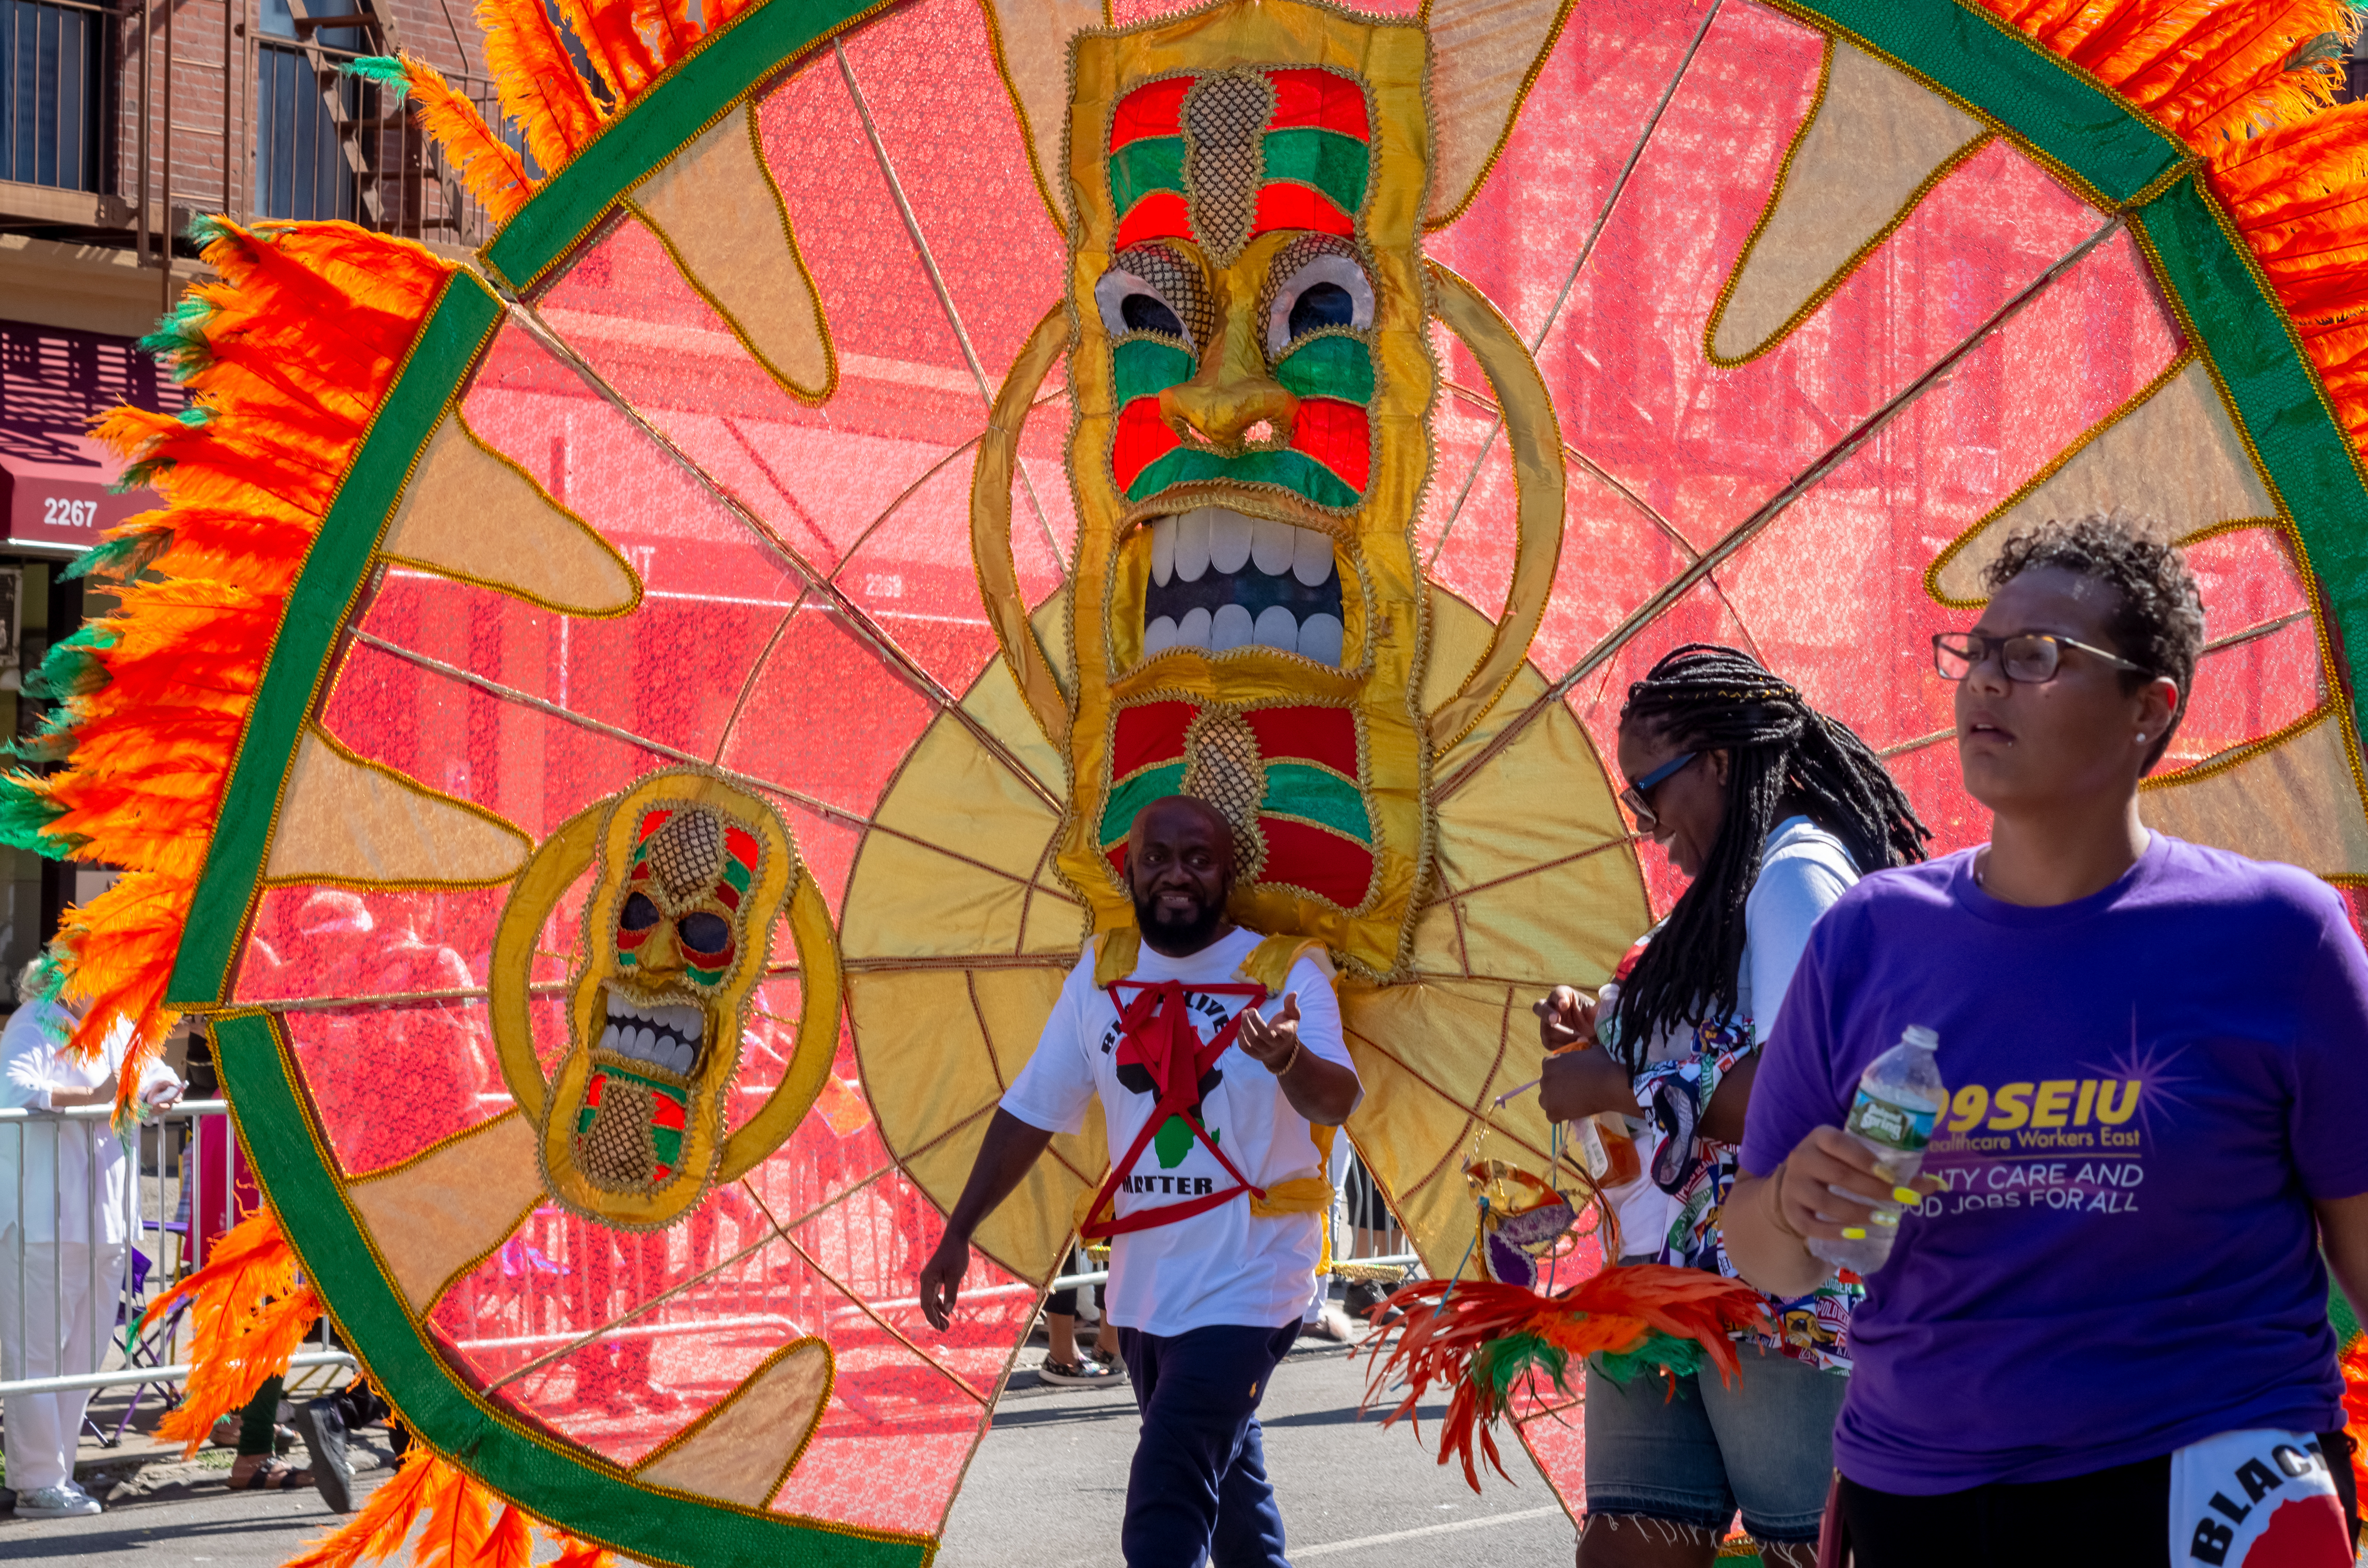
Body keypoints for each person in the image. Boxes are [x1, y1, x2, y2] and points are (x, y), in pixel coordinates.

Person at [1726, 514, 2368, 1566]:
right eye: (1975, 652)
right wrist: (1795, 1197)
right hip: (1919, 1490)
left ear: (2147, 711)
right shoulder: (1865, 935)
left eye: (2034, 658)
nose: (1984, 681)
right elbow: (1768, 1258)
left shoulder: (2278, 935)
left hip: (2209, 1482)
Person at [1533, 644, 1928, 1567]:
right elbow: (1726, 1029)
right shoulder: (1726, 887)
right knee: (1625, 1545)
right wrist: (1606, 1018)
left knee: (1806, 1554)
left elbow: (1814, 1090)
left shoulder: (1794, 870)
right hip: (1659, 1287)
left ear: (1718, 760)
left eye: (1651, 792)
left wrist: (1614, 1084)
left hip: (1774, 1297)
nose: (1647, 825)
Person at [917, 795, 1361, 1568]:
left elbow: (1337, 1097)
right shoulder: (1102, 969)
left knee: (1165, 1505)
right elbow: (1031, 1110)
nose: (1176, 875)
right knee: (1234, 1505)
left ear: (1231, 871)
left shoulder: (1285, 970)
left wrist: (1288, 1058)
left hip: (1254, 1282)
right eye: (1157, 857)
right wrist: (957, 1232)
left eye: (1198, 858)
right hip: (1146, 1293)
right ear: (1129, 870)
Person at [0, 969, 182, 1518]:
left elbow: (160, 1071)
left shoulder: (116, 1025)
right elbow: (14, 1090)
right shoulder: (35, 1023)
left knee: (83, 1354)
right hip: (44, 1217)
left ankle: (58, 1472)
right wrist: (97, 1096)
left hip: (106, 1220)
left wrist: (159, 1092)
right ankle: (36, 1479)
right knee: (37, 1354)